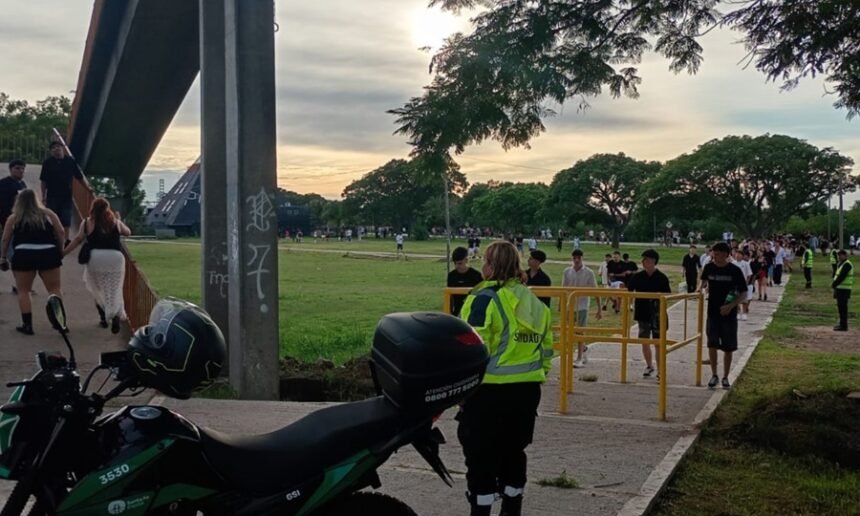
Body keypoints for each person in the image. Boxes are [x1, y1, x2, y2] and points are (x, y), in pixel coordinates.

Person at [458, 241, 553, 516]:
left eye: (484, 262)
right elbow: (546, 350)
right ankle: (512, 508)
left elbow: (471, 350)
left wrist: (463, 394)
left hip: (487, 394)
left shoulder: (483, 298)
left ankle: (481, 510)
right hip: (526, 393)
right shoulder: (533, 302)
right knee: (514, 453)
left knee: (480, 458)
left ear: (491, 265)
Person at [0, 189, 65, 335]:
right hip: (48, 252)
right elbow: (60, 231)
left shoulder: (14, 217)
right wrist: (59, 251)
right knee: (54, 289)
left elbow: (5, 239)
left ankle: (27, 325)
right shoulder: (48, 214)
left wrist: (3, 257)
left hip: (24, 254)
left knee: (24, 291)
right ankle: (60, 322)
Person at [63, 198, 131, 333]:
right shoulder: (115, 222)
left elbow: (77, 239)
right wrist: (119, 219)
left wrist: (64, 252)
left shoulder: (87, 223)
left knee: (97, 289)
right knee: (115, 289)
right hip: (115, 259)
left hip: (95, 259)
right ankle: (116, 315)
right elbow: (128, 232)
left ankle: (104, 317)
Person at [699, 242, 748, 390]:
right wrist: (698, 290)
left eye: (719, 254)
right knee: (712, 343)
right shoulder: (709, 267)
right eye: (714, 253)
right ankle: (714, 374)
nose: (716, 257)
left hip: (729, 314)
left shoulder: (735, 271)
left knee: (728, 347)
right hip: (712, 312)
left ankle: (726, 376)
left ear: (727, 255)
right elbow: (703, 282)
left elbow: (743, 293)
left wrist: (731, 306)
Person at [627, 249, 672, 377]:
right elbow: (628, 291)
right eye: (643, 259)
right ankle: (649, 365)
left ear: (653, 261)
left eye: (646, 259)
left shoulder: (662, 277)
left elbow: (668, 295)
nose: (643, 262)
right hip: (642, 313)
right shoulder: (638, 276)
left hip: (657, 314)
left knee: (658, 343)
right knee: (644, 340)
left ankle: (660, 370)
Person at [562, 249, 603, 367]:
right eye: (574, 258)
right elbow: (563, 289)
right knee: (570, 331)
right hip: (570, 306)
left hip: (582, 306)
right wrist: (562, 305)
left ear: (582, 258)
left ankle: (579, 357)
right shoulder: (567, 271)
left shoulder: (589, 272)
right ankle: (584, 348)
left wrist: (599, 309)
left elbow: (595, 291)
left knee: (580, 332)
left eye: (578, 258)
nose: (576, 260)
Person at [40, 141, 86, 243]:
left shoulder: (70, 161)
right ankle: (55, 238)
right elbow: (43, 181)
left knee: (66, 219)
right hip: (52, 195)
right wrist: (43, 197)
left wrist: (87, 188)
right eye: (54, 148)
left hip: (66, 196)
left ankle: (65, 239)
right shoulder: (48, 163)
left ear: (63, 148)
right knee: (53, 218)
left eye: (59, 147)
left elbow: (79, 177)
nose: (57, 149)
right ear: (51, 151)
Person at [0, 160, 27, 292]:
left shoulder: (23, 185)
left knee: (15, 256)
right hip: (4, 223)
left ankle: (20, 284)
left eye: (22, 169)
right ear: (11, 169)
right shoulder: (3, 184)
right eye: (17, 168)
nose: (20, 171)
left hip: (17, 225)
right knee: (7, 254)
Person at [447, 246, 483, 317]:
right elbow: (449, 298)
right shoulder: (451, 276)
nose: (457, 266)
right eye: (455, 263)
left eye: (460, 263)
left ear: (466, 260)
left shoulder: (476, 275)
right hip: (457, 313)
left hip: (472, 313)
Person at [831, 249, 853, 331]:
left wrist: (834, 284)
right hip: (840, 289)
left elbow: (841, 277)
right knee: (840, 308)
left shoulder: (847, 264)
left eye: (840, 255)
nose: (839, 257)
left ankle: (844, 326)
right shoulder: (841, 264)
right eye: (838, 255)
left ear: (845, 255)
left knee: (843, 308)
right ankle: (841, 324)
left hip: (844, 289)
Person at [732, 249, 754, 321]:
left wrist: (746, 283)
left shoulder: (745, 264)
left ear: (742, 256)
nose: (737, 256)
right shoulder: (733, 263)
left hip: (743, 283)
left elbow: (749, 275)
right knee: (736, 299)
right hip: (735, 284)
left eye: (739, 254)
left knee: (744, 299)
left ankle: (744, 313)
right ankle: (738, 312)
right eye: (736, 254)